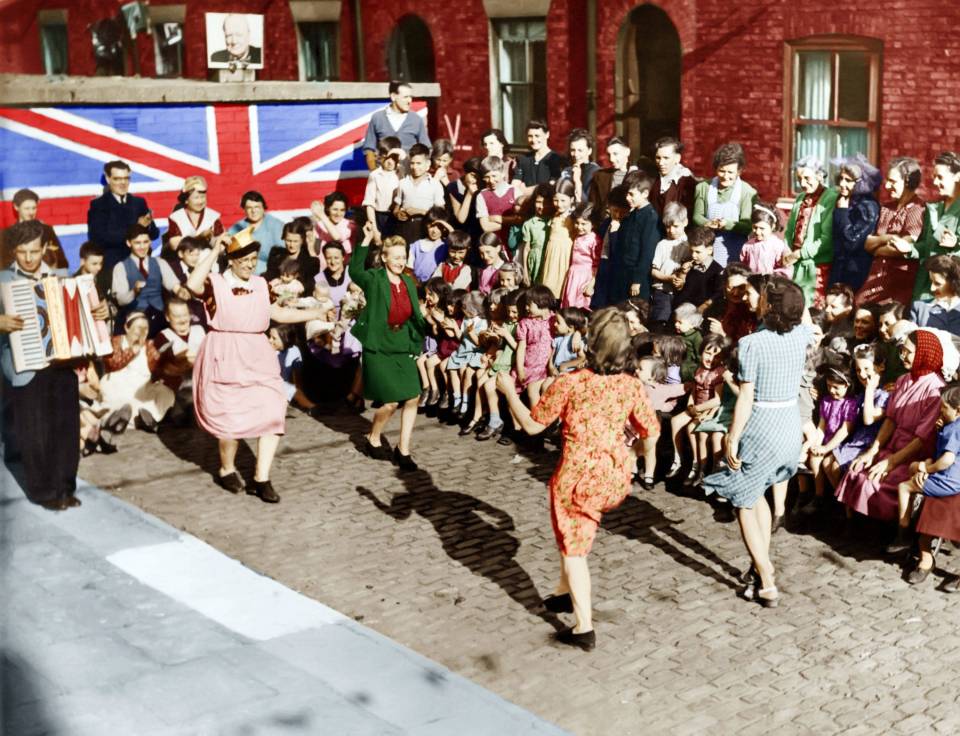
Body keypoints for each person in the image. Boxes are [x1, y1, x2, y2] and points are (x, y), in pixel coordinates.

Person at [495, 308, 660, 650]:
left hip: (576, 479)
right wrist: (634, 457)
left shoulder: (570, 382)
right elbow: (651, 431)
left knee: (574, 550)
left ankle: (583, 627)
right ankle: (561, 592)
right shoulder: (630, 385)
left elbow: (532, 425)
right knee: (572, 535)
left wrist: (509, 391)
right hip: (613, 476)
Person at [186, 227, 331, 503]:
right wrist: (215, 249)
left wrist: (317, 312)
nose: (250, 265)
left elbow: (276, 312)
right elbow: (192, 284)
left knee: (272, 409)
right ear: (232, 260)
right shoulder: (215, 283)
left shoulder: (261, 284)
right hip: (225, 353)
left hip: (257, 354)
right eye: (244, 261)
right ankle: (227, 468)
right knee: (230, 421)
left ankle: (261, 479)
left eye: (254, 260)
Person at [703, 277, 812, 607]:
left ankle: (766, 578)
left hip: (762, 425)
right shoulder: (802, 335)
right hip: (790, 425)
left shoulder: (752, 344)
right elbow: (803, 316)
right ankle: (757, 565)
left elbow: (746, 399)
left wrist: (732, 437)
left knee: (744, 503)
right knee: (759, 490)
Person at [0, 221, 105, 509]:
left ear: (45, 248)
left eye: (34, 251)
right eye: (22, 252)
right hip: (26, 366)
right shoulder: (3, 280)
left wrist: (100, 311)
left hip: (63, 362)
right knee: (35, 432)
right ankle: (42, 491)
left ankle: (65, 487)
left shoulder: (61, 277)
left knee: (65, 428)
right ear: (14, 251)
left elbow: (87, 313)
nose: (29, 258)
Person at [834, 329, 946, 524]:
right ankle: (859, 525)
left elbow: (922, 439)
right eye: (902, 351)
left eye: (908, 352)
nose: (903, 356)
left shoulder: (935, 390)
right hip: (892, 445)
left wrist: (890, 462)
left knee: (875, 480)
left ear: (923, 353)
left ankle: (884, 528)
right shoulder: (904, 380)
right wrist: (873, 450)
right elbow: (891, 419)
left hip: (912, 454)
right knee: (856, 468)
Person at [349, 226, 427, 471]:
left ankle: (403, 450)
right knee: (391, 402)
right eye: (395, 258)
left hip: (402, 343)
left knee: (413, 396)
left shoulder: (407, 281)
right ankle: (374, 436)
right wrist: (364, 240)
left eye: (403, 257)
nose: (400, 262)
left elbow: (414, 314)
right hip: (378, 346)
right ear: (384, 258)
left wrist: (417, 341)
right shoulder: (374, 279)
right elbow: (354, 270)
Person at [886, 385, 960, 556]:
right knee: (914, 470)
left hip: (948, 481)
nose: (940, 411)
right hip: (953, 478)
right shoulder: (953, 425)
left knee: (904, 487)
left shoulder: (954, 429)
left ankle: (903, 535)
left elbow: (947, 460)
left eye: (944, 408)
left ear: (958, 410)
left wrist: (927, 468)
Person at [857, 157, 926, 306]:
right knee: (859, 307)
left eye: (892, 181)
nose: (887, 186)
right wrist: (887, 238)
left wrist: (877, 248)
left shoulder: (917, 209)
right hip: (875, 276)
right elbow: (868, 244)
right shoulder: (886, 208)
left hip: (898, 282)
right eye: (887, 181)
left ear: (907, 181)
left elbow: (903, 248)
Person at [100, 311, 175, 433]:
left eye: (146, 329)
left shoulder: (150, 344)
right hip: (118, 386)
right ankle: (121, 415)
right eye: (139, 328)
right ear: (126, 327)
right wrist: (132, 351)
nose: (142, 332)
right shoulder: (115, 341)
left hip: (141, 389)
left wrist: (163, 357)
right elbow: (112, 363)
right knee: (108, 389)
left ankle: (143, 418)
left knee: (165, 392)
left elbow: (156, 370)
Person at [87, 159, 160, 282]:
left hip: (141, 266)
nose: (123, 183)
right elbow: (98, 238)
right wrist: (136, 227)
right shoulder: (98, 205)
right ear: (108, 179)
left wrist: (147, 226)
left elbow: (154, 233)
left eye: (126, 178)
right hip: (113, 267)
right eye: (117, 179)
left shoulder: (139, 202)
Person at [111, 223, 186, 336]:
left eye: (145, 242)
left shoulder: (160, 263)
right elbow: (121, 300)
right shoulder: (120, 267)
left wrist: (181, 292)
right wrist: (134, 291)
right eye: (137, 243)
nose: (142, 247)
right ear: (128, 243)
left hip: (158, 319)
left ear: (150, 242)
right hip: (132, 319)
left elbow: (174, 286)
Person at [784, 156, 838, 306]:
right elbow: (789, 231)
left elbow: (826, 239)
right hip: (796, 265)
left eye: (807, 178)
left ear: (820, 176)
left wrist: (800, 253)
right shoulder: (800, 198)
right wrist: (787, 251)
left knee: (812, 310)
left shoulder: (830, 198)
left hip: (816, 267)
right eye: (799, 179)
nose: (802, 183)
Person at [692, 143, 757, 266]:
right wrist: (707, 223)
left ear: (739, 171)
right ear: (716, 168)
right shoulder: (703, 188)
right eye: (721, 171)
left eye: (730, 172)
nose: (726, 176)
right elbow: (696, 216)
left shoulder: (746, 191)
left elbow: (748, 225)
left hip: (734, 249)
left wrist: (726, 224)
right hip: (706, 249)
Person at [911, 151, 960, 302]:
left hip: (950, 286)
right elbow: (926, 246)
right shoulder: (934, 207)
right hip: (925, 284)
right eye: (934, 177)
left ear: (957, 176)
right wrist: (909, 249)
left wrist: (956, 244)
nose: (936, 182)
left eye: (940, 177)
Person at [828, 156, 882, 292]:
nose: (842, 184)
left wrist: (842, 211)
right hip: (839, 268)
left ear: (860, 182)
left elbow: (852, 241)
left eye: (848, 180)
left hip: (855, 271)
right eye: (841, 178)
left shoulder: (868, 206)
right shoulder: (845, 200)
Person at [606, 172, 660, 305]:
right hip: (621, 275)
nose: (627, 198)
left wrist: (638, 280)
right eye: (627, 194)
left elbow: (647, 252)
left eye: (631, 194)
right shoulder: (630, 215)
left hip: (636, 279)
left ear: (645, 193)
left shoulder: (650, 218)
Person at [361, 81, 431, 170]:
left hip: (408, 176)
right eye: (405, 97)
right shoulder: (378, 118)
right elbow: (369, 150)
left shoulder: (416, 119)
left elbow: (426, 149)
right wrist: (375, 173)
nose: (409, 101)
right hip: (383, 175)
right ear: (393, 96)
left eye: (411, 97)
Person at [392, 143, 445, 249]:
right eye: (412, 163)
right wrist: (398, 214)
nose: (415, 167)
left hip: (425, 229)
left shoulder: (435, 184)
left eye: (419, 163)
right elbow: (395, 208)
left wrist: (419, 211)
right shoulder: (403, 183)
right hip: (405, 228)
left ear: (428, 164)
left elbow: (440, 215)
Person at [1, 188, 66, 269]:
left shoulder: (47, 230)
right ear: (16, 207)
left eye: (34, 208)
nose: (31, 212)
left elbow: (62, 261)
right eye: (27, 208)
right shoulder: (7, 234)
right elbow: (4, 265)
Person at [227, 191, 284, 275]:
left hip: (269, 273)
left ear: (263, 208)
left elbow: (284, 254)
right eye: (249, 208)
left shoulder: (276, 225)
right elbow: (228, 251)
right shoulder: (238, 227)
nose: (253, 211)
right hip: (241, 273)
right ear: (244, 209)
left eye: (257, 207)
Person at [537, 179, 577, 299]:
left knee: (559, 286)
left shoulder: (572, 217)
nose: (559, 204)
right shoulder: (556, 215)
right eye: (556, 200)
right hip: (551, 254)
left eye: (563, 200)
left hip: (563, 256)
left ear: (572, 199)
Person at [166, 175, 223, 252]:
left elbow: (221, 246)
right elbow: (175, 245)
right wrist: (199, 237)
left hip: (209, 260)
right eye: (196, 198)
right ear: (186, 200)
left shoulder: (213, 216)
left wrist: (213, 239)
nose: (200, 201)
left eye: (202, 197)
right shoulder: (176, 217)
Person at [513, 120, 569, 198]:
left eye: (537, 136)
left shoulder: (557, 159)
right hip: (526, 207)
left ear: (547, 135)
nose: (533, 140)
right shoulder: (522, 159)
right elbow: (514, 188)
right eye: (530, 136)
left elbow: (551, 186)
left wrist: (525, 190)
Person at [561, 203, 602, 309]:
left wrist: (591, 284)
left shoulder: (594, 240)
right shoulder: (577, 237)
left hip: (585, 277)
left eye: (584, 224)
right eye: (577, 223)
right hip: (573, 275)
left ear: (593, 224)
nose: (579, 227)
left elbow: (597, 265)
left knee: (580, 305)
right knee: (569, 302)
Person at [363, 136, 402, 241]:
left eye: (393, 158)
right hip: (380, 217)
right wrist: (375, 231)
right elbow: (369, 204)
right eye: (386, 157)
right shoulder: (375, 175)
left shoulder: (401, 174)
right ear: (380, 156)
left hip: (397, 218)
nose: (390, 162)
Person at [909, 255, 960, 336]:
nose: (932, 288)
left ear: (953, 283)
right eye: (931, 282)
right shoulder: (920, 308)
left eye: (937, 283)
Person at [587, 136, 633, 224]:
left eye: (615, 154)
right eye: (609, 155)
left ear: (627, 151)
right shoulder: (600, 176)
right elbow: (593, 205)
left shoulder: (636, 176)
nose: (611, 159)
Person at [649, 137, 696, 218]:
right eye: (658, 158)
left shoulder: (686, 182)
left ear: (677, 158)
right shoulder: (653, 179)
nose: (661, 163)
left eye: (666, 158)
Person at [740, 203, 791, 277]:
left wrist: (772, 278)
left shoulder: (778, 246)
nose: (757, 232)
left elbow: (785, 269)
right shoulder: (748, 245)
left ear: (773, 226)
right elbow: (743, 266)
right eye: (755, 227)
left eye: (762, 228)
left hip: (772, 285)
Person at [310, 191, 357, 268]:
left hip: (345, 269)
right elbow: (315, 249)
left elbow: (337, 237)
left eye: (342, 210)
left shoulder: (350, 225)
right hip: (324, 269)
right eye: (335, 209)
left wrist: (322, 215)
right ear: (328, 208)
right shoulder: (320, 225)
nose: (338, 214)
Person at [264, 220, 319, 286]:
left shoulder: (309, 261)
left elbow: (310, 284)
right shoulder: (276, 254)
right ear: (284, 238)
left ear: (302, 241)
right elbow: (269, 275)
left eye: (295, 241)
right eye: (288, 240)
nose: (291, 245)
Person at [558, 128, 600, 203]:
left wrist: (577, 180)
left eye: (580, 150)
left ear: (589, 151)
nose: (576, 154)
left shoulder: (596, 173)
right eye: (573, 150)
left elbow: (587, 204)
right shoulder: (567, 171)